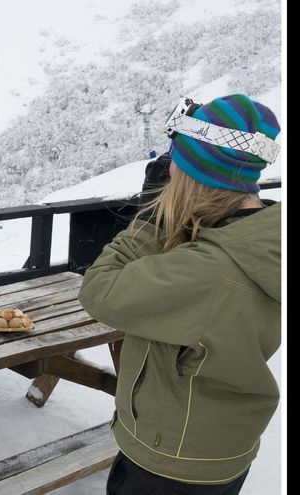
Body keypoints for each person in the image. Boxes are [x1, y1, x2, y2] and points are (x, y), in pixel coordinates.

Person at [78, 94, 282, 494]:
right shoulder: (260, 238)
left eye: (178, 159)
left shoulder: (208, 270)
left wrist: (153, 219)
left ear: (197, 175)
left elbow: (100, 290)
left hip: (171, 459)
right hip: (219, 441)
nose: (170, 167)